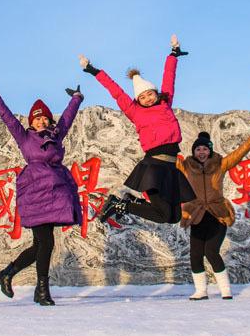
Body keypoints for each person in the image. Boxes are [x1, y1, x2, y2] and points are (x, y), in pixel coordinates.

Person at [0, 82, 84, 306]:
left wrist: (76, 98)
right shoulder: (25, 138)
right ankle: (41, 291)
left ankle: (8, 274)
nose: (41, 121)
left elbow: (67, 119)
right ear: (31, 122)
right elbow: (10, 120)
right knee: (46, 243)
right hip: (34, 193)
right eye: (37, 118)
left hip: (55, 194)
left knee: (40, 245)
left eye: (45, 118)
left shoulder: (56, 136)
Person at [80, 34, 194, 225]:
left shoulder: (165, 103)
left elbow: (169, 78)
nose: (148, 99)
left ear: (156, 93)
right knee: (164, 214)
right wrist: (94, 71)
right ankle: (119, 204)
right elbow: (115, 91)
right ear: (137, 101)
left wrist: (173, 55)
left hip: (170, 168)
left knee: (174, 217)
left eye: (150, 94)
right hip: (154, 167)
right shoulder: (135, 112)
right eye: (143, 97)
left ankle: (129, 202)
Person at [177, 123, 250, 300]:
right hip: (196, 214)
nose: (201, 152)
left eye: (204, 149)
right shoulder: (186, 166)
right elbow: (167, 157)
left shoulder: (220, 164)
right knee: (195, 254)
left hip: (217, 214)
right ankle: (201, 291)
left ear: (210, 150)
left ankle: (225, 289)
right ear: (194, 151)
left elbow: (239, 154)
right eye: (198, 149)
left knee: (211, 251)